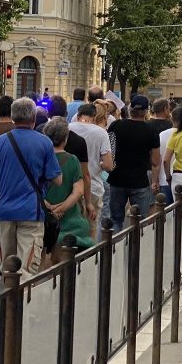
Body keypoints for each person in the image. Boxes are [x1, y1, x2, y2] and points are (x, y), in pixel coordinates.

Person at [0, 98, 62, 275]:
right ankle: (23, 293)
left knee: (7, 265)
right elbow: (57, 180)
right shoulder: (44, 143)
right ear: (33, 118)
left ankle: (8, 292)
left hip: (4, 211)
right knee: (27, 268)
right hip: (31, 211)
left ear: (13, 117)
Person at [106, 95, 160, 229]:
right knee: (140, 221)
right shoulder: (151, 130)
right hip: (139, 181)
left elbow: (109, 152)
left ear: (130, 109)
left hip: (117, 179)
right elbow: (155, 161)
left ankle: (116, 242)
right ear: (146, 111)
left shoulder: (115, 125)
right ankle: (136, 242)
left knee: (115, 219)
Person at [42, 118, 93, 251]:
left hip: (43, 220)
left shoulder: (39, 157)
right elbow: (78, 192)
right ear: (65, 138)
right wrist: (60, 210)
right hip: (72, 223)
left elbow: (33, 189)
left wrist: (50, 208)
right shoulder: (72, 160)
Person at [66, 103, 114, 236]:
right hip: (93, 187)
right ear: (94, 117)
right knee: (91, 228)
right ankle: (91, 250)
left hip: (69, 187)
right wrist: (98, 164)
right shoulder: (101, 133)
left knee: (69, 228)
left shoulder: (67, 128)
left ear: (78, 115)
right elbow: (108, 165)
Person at [155, 108, 181, 204]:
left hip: (164, 180)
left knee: (165, 210)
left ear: (171, 118)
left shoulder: (162, 135)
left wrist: (155, 180)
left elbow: (158, 159)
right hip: (181, 179)